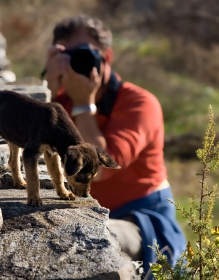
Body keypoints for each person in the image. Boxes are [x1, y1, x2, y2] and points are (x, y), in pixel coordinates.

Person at [43, 14, 186, 275]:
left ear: (106, 57)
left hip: (140, 219)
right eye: (68, 55)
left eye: (84, 53)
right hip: (85, 214)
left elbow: (103, 169)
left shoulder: (139, 103)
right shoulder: (57, 104)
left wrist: (84, 105)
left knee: (91, 243)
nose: (78, 61)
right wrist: (50, 96)